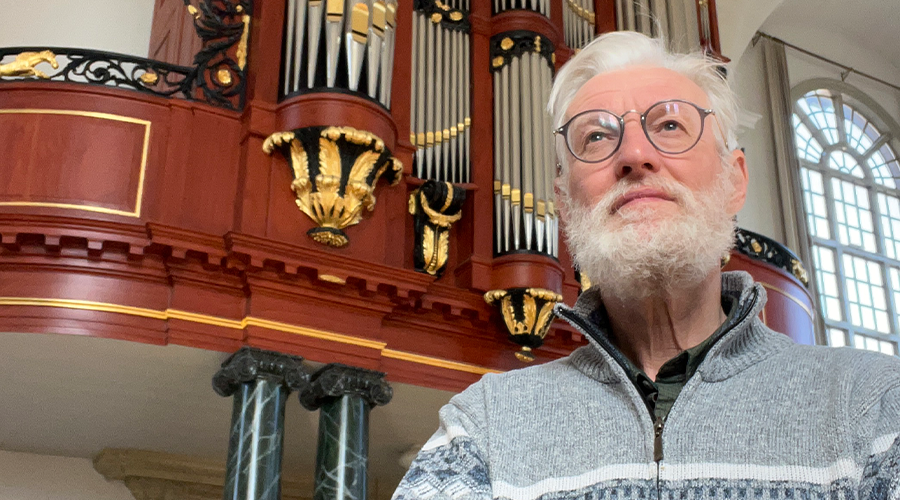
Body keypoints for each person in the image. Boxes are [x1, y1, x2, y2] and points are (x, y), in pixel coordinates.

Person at [392, 31, 900, 500]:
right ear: (565, 202)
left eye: (671, 125)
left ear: (735, 180)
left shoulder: (874, 406)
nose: (634, 154)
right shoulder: (483, 426)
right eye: (595, 137)